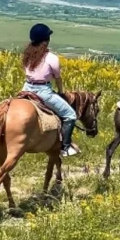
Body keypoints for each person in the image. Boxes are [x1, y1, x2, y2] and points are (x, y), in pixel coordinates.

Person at [21, 23, 79, 156]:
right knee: (70, 115)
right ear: (46, 40)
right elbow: (58, 78)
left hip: (26, 88)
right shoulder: (52, 58)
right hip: (43, 92)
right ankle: (65, 147)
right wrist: (61, 92)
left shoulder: (27, 55)